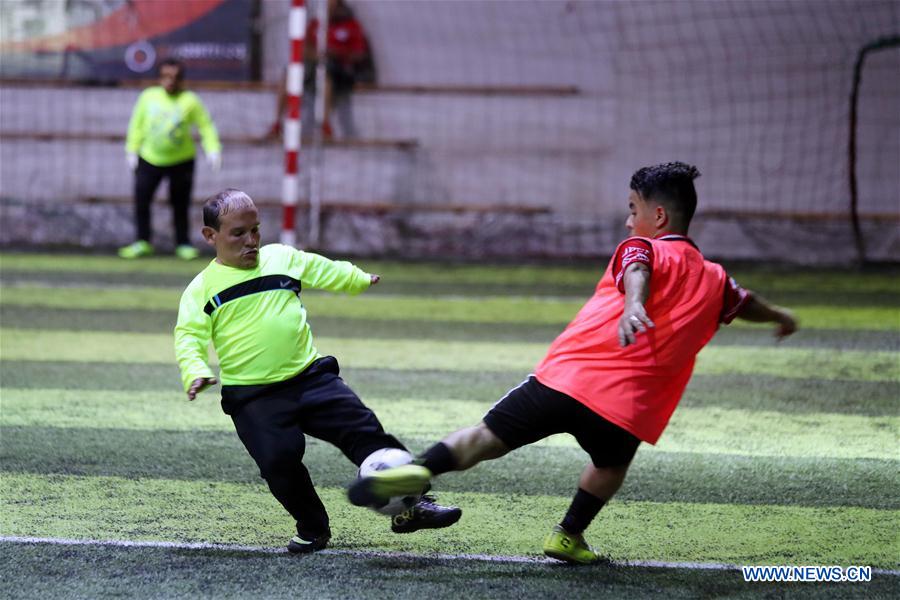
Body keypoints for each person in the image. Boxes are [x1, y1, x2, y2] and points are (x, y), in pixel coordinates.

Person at [348, 162, 799, 564]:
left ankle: (421, 471)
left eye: (632, 208)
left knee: (487, 438)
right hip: (628, 409)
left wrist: (632, 305)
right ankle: (568, 534)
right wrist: (779, 316)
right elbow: (746, 302)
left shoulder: (642, 248)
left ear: (658, 216)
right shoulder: (716, 279)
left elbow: (638, 268)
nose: (628, 221)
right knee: (609, 468)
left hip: (565, 380)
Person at [174, 189, 461, 554]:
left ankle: (413, 505)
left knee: (365, 431)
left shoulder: (280, 258)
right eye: (238, 233)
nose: (251, 241)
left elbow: (320, 268)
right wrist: (195, 370)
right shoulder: (200, 289)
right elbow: (188, 336)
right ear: (210, 236)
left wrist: (356, 278)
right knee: (279, 462)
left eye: (256, 230)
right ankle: (312, 527)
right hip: (254, 397)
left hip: (311, 378)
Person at [119, 58, 221, 261]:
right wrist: (132, 149)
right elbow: (136, 124)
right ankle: (142, 241)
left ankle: (182, 243)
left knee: (180, 203)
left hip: (181, 160)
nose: (170, 81)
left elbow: (205, 125)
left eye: (175, 77)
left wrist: (213, 149)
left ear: (181, 79)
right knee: (142, 200)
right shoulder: (148, 97)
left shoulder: (190, 100)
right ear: (159, 78)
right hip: (149, 158)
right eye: (166, 76)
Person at [268, 0, 375, 141]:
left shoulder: (351, 25)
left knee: (325, 79)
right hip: (314, 66)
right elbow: (303, 49)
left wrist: (335, 53)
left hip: (339, 70)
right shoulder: (316, 24)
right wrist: (315, 54)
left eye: (331, 3)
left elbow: (359, 54)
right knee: (289, 74)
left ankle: (325, 125)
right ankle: (277, 123)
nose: (328, 6)